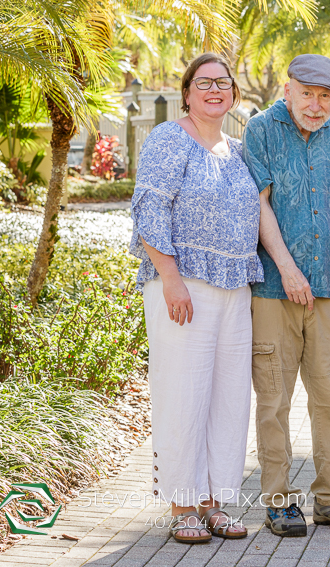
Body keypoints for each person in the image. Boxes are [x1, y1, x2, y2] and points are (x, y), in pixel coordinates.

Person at [129, 53, 263, 543]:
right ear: (187, 93)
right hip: (182, 287)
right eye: (203, 82)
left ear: (233, 93)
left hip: (234, 288)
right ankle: (182, 504)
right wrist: (170, 276)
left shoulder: (236, 148)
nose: (213, 90)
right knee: (184, 394)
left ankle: (214, 502)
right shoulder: (169, 138)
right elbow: (149, 208)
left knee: (228, 397)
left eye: (222, 83)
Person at [241, 54, 330, 537]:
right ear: (287, 88)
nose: (316, 105)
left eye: (326, 97)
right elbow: (257, 204)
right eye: (307, 94)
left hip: (328, 293)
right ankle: (279, 502)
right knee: (274, 400)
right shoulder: (260, 131)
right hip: (275, 290)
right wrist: (287, 268)